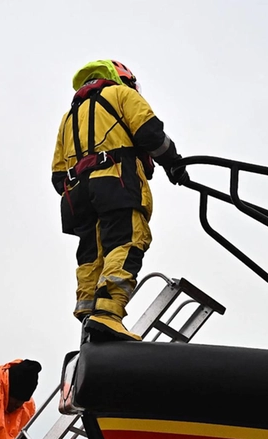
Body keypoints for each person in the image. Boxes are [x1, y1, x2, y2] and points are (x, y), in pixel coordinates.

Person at [51, 60, 188, 343]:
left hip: (77, 197)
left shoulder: (68, 118)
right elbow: (151, 134)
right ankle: (108, 315)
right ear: (123, 78)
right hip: (117, 182)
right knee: (127, 242)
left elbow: (56, 176)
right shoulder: (122, 94)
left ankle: (90, 318)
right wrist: (174, 163)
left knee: (92, 256)